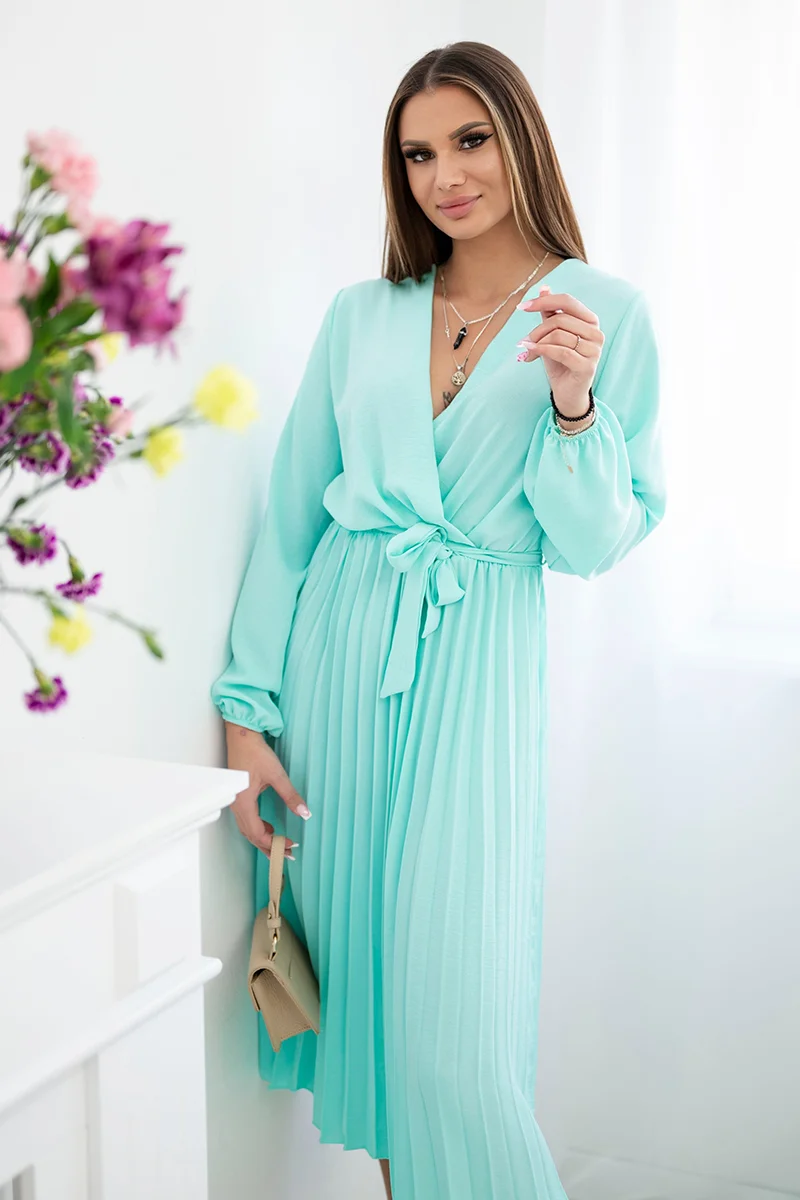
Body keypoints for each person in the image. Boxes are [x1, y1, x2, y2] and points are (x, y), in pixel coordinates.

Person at [210, 39, 666, 1200]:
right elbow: (290, 519)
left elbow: (595, 544)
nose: (443, 176)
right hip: (336, 667)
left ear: (521, 139)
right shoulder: (360, 315)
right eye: (416, 154)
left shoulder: (604, 312)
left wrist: (573, 408)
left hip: (476, 666)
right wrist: (245, 716)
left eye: (469, 140)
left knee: (453, 1039)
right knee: (370, 1013)